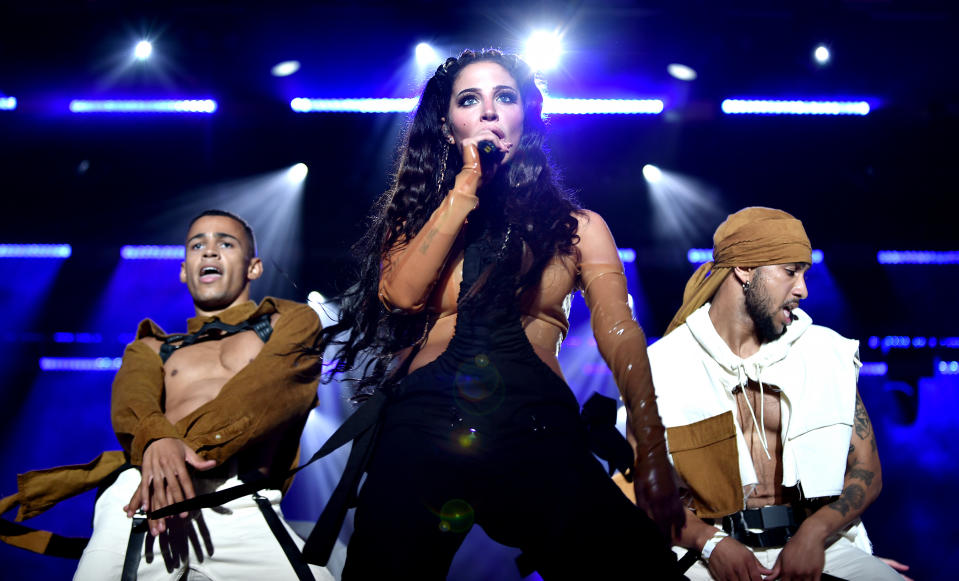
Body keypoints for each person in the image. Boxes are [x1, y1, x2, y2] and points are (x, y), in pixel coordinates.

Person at [306, 49, 684, 579]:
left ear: (524, 114)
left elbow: (620, 334)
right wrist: (465, 188)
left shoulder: (579, 227)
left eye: (504, 97)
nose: (488, 111)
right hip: (425, 422)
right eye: (469, 100)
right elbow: (401, 297)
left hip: (535, 424)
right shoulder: (417, 222)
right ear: (447, 124)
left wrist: (651, 448)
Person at [1, 210, 333, 580]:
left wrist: (174, 448)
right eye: (197, 245)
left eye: (225, 242)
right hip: (144, 489)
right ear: (183, 269)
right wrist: (157, 437)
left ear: (254, 267)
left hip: (239, 496)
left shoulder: (290, 322)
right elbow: (132, 402)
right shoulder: (152, 347)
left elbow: (270, 392)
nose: (209, 252)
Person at [640, 207, 901, 580]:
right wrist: (711, 543)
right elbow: (644, 489)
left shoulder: (824, 352)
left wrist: (813, 533)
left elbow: (867, 471)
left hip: (820, 542)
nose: (803, 289)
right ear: (744, 269)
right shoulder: (666, 363)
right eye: (790, 271)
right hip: (705, 547)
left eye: (805, 273)